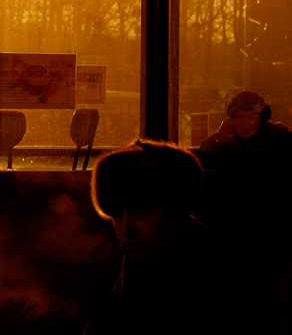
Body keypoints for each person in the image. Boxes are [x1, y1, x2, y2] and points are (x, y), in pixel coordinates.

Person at [84, 140, 262, 335]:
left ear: (175, 213)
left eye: (140, 212)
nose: (126, 229)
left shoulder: (233, 287)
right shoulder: (120, 290)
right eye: (117, 217)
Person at [198, 90, 290, 169]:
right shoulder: (227, 138)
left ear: (261, 118)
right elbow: (200, 160)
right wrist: (219, 137)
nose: (245, 123)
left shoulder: (275, 136)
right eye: (239, 117)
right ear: (231, 120)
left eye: (251, 117)